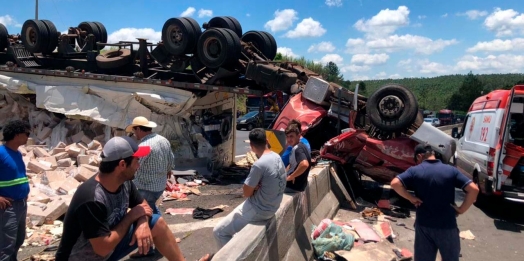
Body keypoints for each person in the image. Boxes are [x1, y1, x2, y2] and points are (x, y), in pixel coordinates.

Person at [55, 136, 210, 261]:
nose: (139, 166)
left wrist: (142, 223)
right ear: (122, 164)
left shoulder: (124, 183)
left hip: (109, 249)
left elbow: (143, 206)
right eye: (136, 161)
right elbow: (102, 248)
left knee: (157, 223)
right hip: (87, 256)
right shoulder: (92, 198)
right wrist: (131, 217)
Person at [390, 144, 479, 261]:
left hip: (424, 226)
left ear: (420, 156)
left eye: (416, 160)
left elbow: (395, 183)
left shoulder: (414, 171)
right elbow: (474, 189)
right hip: (447, 226)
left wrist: (410, 197)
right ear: (434, 154)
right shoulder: (451, 170)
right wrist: (461, 209)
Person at [213, 128, 286, 249]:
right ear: (267, 141)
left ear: (251, 146)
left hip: (259, 209)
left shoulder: (259, 165)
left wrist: (254, 188)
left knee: (219, 232)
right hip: (273, 207)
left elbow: (246, 192)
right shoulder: (277, 157)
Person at [125, 116, 175, 258]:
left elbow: (134, 166)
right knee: (152, 211)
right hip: (159, 185)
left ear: (139, 129)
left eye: (135, 130)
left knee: (143, 216)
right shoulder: (162, 140)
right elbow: (171, 160)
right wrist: (167, 171)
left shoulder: (144, 146)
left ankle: (147, 249)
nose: (135, 134)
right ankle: (164, 237)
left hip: (146, 187)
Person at [0, 120, 31, 261]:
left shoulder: (17, 153)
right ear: (17, 135)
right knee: (6, 245)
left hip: (21, 204)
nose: (28, 137)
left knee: (18, 240)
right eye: (27, 133)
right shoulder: (1, 153)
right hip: (8, 207)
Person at [284, 122, 311, 193]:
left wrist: (291, 176)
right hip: (299, 185)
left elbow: (304, 164)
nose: (289, 139)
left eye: (291, 136)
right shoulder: (302, 145)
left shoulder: (297, 149)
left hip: (293, 187)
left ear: (298, 136)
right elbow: (293, 164)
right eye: (287, 136)